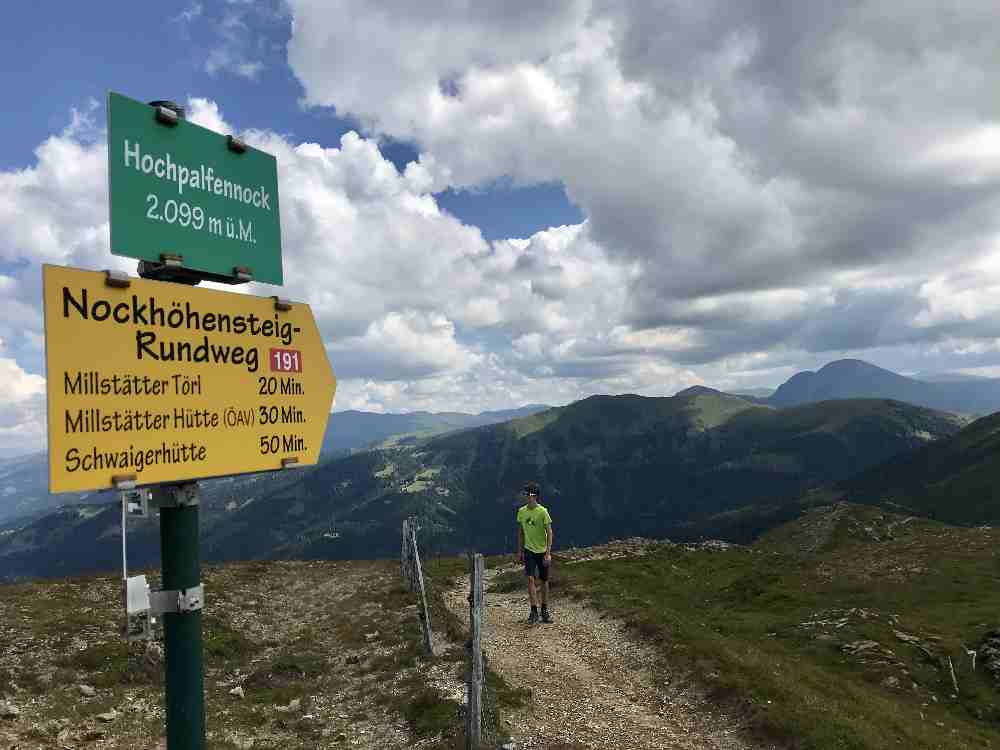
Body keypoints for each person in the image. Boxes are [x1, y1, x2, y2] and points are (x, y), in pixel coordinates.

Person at [515, 481, 553, 624]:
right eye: (526, 494)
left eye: (529, 494)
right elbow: (520, 533)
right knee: (530, 578)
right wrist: (519, 551)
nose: (527, 497)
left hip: (542, 550)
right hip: (529, 550)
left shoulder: (543, 511)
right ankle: (533, 611)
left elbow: (550, 533)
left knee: (544, 581)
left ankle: (544, 609)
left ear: (536, 496)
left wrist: (548, 553)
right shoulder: (521, 511)